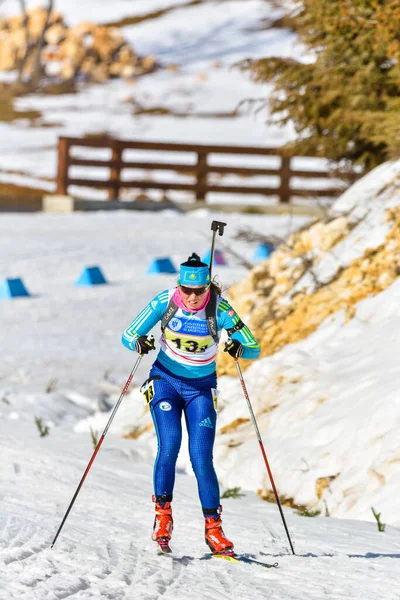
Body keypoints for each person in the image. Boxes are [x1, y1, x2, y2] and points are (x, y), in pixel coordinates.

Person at [122, 252, 260, 554]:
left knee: (201, 458)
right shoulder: (165, 301)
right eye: (187, 290)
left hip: (200, 388)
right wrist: (140, 342)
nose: (194, 297)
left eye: (200, 291)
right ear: (179, 287)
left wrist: (239, 347)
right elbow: (129, 334)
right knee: (169, 444)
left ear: (208, 288)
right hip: (165, 382)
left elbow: (254, 348)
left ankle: (213, 528)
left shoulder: (220, 309)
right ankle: (162, 516)